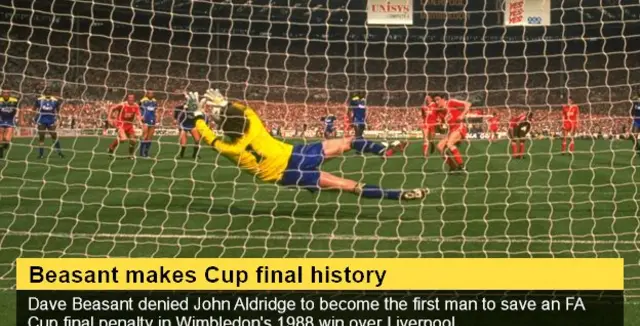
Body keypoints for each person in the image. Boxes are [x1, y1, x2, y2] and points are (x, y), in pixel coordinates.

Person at [188, 90, 427, 201]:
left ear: (224, 126)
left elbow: (208, 135)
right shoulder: (253, 122)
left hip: (289, 170)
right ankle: (389, 171)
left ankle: (397, 187)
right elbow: (242, 110)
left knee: (348, 183)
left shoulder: (230, 148)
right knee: (350, 145)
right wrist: (226, 102)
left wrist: (198, 115)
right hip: (295, 161)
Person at [434, 94, 471, 172]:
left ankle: (462, 165)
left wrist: (462, 115)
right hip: (451, 131)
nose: (436, 102)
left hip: (459, 127)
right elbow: (441, 127)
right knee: (439, 147)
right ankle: (452, 166)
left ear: (443, 99)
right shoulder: (440, 112)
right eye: (435, 100)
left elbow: (468, 104)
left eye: (438, 99)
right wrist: (438, 125)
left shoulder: (451, 102)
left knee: (449, 144)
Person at [108, 94, 141, 159]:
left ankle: (130, 155)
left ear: (134, 99)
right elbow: (112, 108)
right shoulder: (122, 105)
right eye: (129, 98)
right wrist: (109, 118)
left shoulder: (136, 106)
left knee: (133, 141)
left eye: (132, 98)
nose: (131, 99)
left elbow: (138, 115)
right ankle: (111, 147)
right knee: (123, 139)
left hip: (130, 125)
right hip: (121, 125)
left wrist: (140, 121)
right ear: (127, 98)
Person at [34, 93, 63, 159]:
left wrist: (59, 119)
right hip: (41, 120)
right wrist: (35, 117)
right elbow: (34, 109)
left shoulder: (55, 101)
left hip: (51, 120)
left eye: (49, 92)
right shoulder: (39, 100)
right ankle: (41, 154)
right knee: (41, 136)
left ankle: (59, 153)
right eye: (46, 92)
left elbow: (58, 111)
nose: (48, 93)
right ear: (44, 93)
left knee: (54, 135)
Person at [139, 91, 158, 157]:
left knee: (150, 137)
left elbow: (155, 110)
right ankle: (141, 153)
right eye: (150, 93)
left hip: (152, 120)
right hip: (145, 119)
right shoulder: (143, 100)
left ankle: (146, 152)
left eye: (152, 93)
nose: (151, 94)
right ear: (147, 94)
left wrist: (156, 117)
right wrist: (141, 116)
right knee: (145, 136)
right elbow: (140, 109)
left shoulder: (154, 101)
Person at [0, 89, 18, 159]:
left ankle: (5, 145)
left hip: (10, 120)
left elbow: (18, 109)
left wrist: (20, 119)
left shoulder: (15, 100)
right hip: (1, 120)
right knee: (0, 138)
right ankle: (0, 152)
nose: (6, 94)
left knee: (7, 139)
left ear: (10, 93)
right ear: (2, 93)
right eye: (4, 93)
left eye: (7, 93)